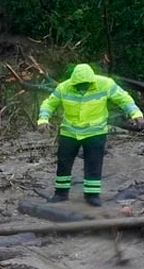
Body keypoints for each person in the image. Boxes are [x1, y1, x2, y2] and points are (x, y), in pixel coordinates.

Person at [38, 63, 144, 207]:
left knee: (94, 163)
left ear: (92, 80)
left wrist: (135, 113)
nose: (82, 87)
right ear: (73, 81)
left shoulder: (105, 84)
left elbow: (124, 99)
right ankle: (61, 193)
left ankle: (92, 195)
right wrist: (43, 119)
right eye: (78, 85)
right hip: (69, 132)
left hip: (95, 132)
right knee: (63, 163)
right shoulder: (64, 87)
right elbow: (48, 104)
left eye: (85, 84)